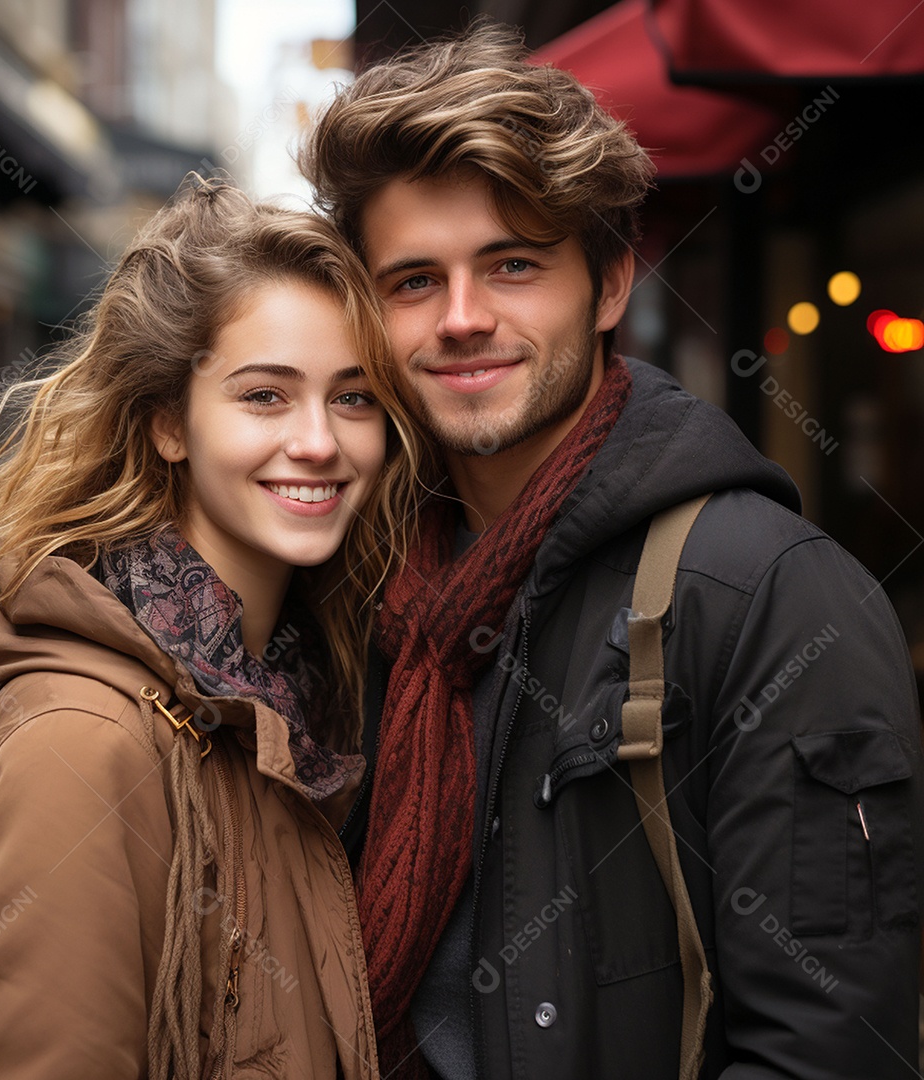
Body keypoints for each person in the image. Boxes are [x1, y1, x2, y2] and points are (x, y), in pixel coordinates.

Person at [300, 21, 924, 1080]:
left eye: (513, 265)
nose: (461, 318)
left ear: (610, 285)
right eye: (413, 281)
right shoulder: (354, 580)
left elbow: (827, 1054)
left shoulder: (769, 594)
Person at [0, 175, 423, 1079]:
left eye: (353, 398)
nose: (320, 441)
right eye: (265, 396)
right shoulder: (81, 746)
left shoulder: (296, 697)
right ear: (169, 425)